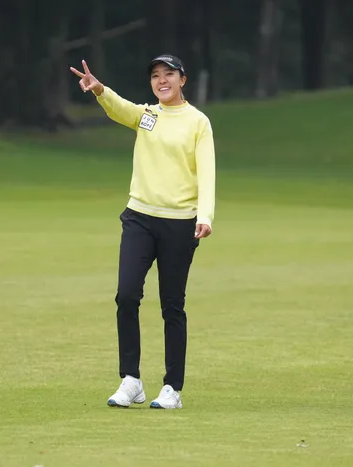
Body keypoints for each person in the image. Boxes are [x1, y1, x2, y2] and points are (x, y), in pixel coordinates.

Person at [69, 54, 215, 409]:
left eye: (169, 74)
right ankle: (131, 380)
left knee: (172, 305)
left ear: (182, 79)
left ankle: (172, 388)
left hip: (180, 222)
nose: (161, 80)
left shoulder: (197, 122)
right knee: (127, 295)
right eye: (155, 76)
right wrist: (99, 90)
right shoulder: (148, 115)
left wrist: (205, 215)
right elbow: (121, 109)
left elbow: (207, 170)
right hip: (139, 217)